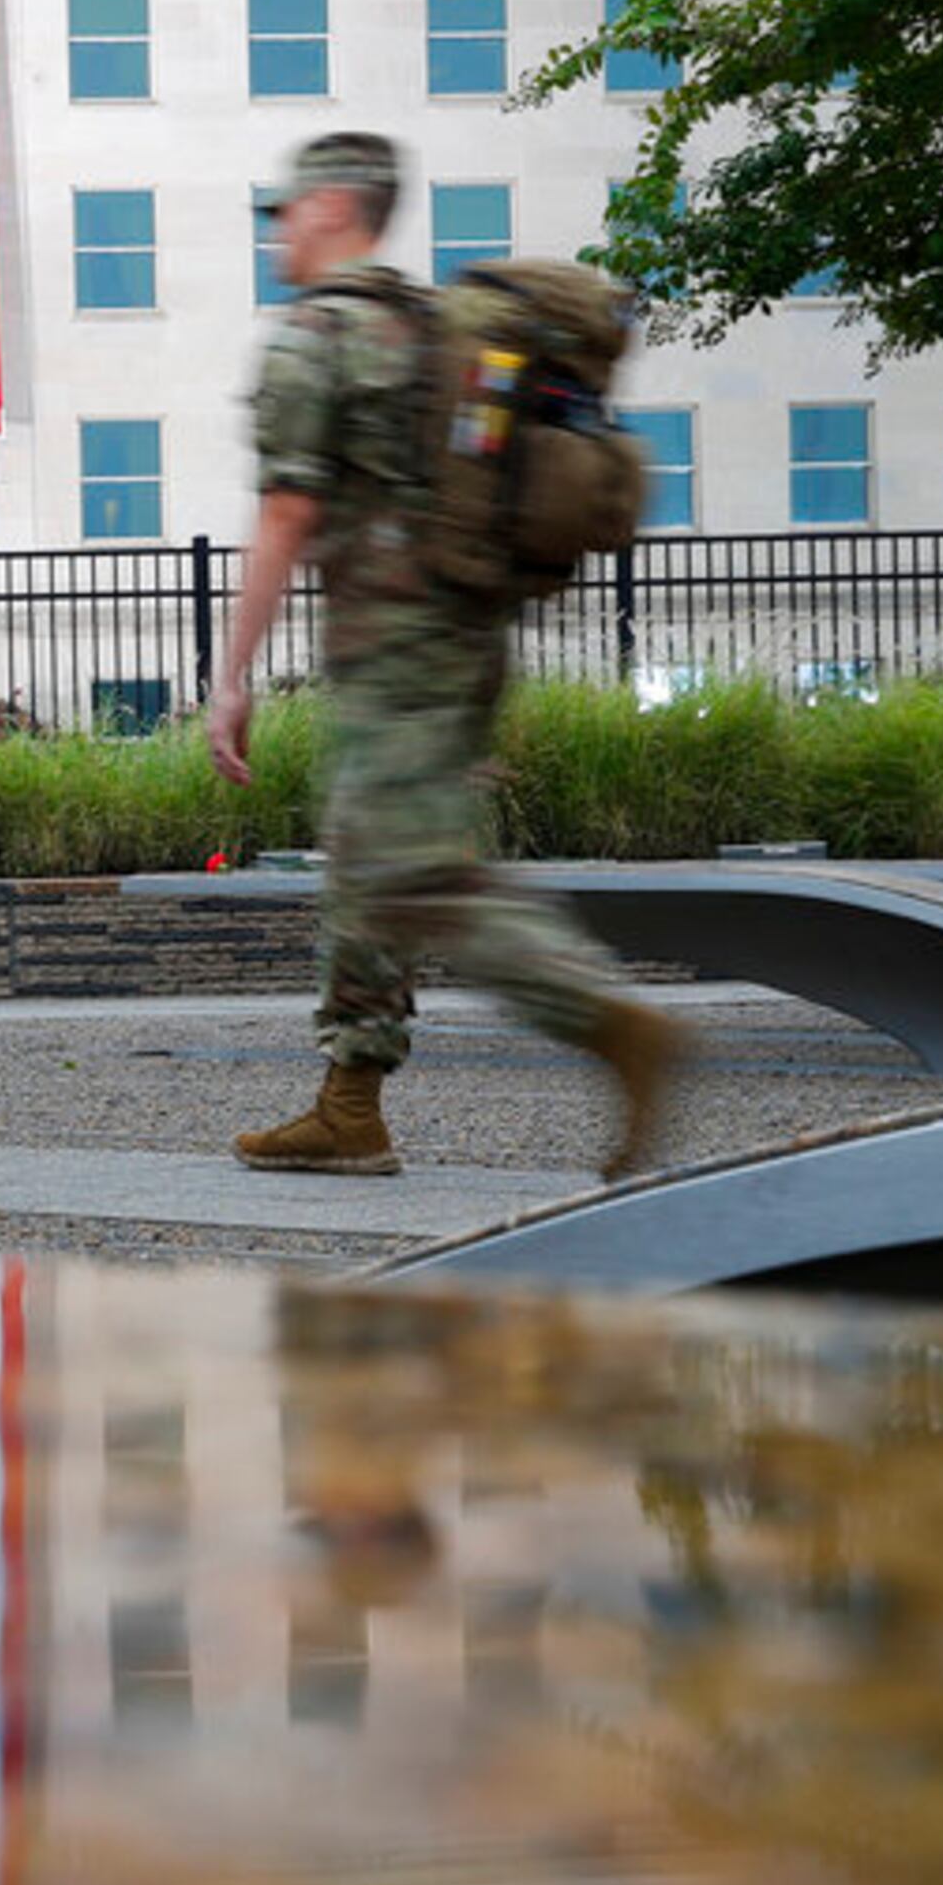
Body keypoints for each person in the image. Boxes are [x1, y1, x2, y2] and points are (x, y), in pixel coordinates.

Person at [209, 129, 683, 1183]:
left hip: (397, 648)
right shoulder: (432, 328)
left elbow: (288, 508)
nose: (279, 230)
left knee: (410, 871)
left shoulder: (319, 335)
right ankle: (350, 1104)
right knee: (364, 863)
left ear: (334, 206)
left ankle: (607, 1018)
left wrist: (231, 676)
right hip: (468, 637)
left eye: (286, 209)